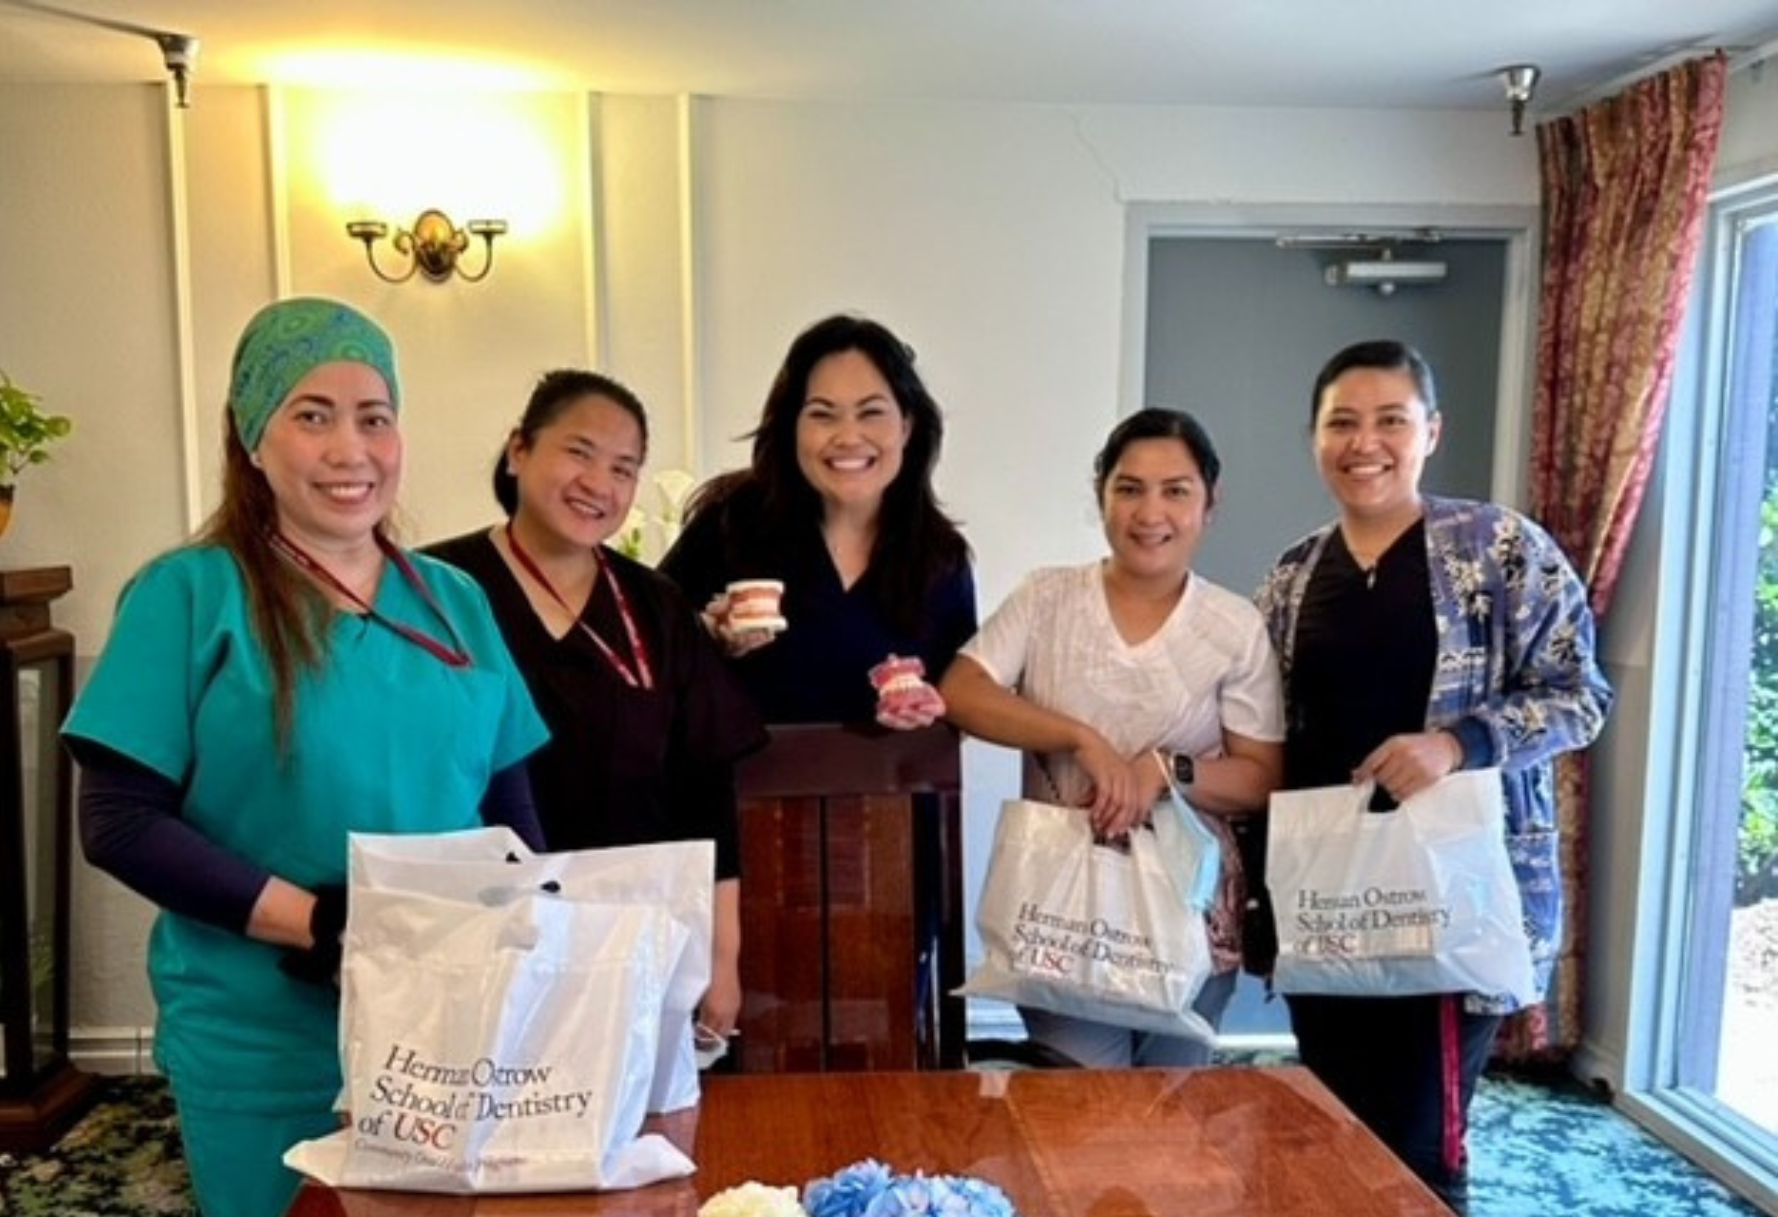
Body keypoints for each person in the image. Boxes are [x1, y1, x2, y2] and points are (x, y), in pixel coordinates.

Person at [61, 298, 549, 1217]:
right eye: (311, 414)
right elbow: (120, 821)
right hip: (264, 1033)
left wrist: (536, 944)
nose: (349, 449)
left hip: (445, 1032)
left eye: (374, 417)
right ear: (253, 438)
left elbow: (509, 809)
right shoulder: (191, 593)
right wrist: (322, 925)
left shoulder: (454, 601)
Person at [1254, 339, 1612, 1214]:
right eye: (1341, 422)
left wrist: (1457, 743)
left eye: (1389, 420)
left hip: (1453, 898)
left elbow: (1581, 696)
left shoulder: (1499, 549)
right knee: (1332, 1122)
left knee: (1418, 1144)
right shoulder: (1292, 577)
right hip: (1332, 898)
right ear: (1313, 437)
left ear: (1430, 431)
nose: (1363, 442)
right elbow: (1264, 730)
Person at [426, 369, 766, 1043]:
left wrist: (721, 956)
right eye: (578, 452)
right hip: (474, 932)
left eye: (623, 468)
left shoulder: (656, 605)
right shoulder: (435, 589)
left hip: (630, 933)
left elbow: (705, 792)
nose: (598, 483)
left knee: (639, 1137)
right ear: (518, 449)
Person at [939, 407, 1283, 1067]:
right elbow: (961, 690)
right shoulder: (1047, 598)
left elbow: (1261, 777)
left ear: (1208, 504)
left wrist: (1164, 768)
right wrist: (1079, 738)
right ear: (1101, 496)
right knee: (1077, 1108)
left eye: (1174, 490)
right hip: (1060, 907)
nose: (1149, 511)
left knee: (1172, 1113)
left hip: (1188, 917)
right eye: (1128, 487)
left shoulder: (1232, 626)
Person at [659, 314, 975, 726]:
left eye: (871, 413)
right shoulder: (730, 522)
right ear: (792, 428)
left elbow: (962, 702)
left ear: (907, 426)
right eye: (823, 414)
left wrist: (927, 708)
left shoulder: (940, 558)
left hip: (889, 789)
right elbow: (642, 650)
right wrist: (706, 636)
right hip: (742, 788)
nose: (847, 436)